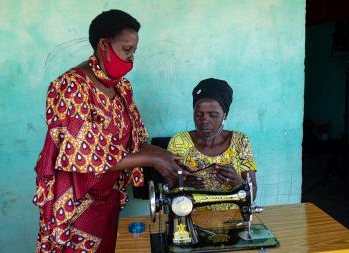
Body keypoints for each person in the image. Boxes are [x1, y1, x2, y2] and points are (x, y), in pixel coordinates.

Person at [33, 10, 181, 253]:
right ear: (104, 44)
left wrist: (165, 156)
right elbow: (85, 155)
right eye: (127, 49)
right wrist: (154, 158)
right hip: (77, 205)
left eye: (134, 51)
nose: (132, 59)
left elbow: (133, 142)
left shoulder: (120, 87)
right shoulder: (72, 87)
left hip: (108, 199)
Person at [167, 78, 257, 210]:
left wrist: (238, 182)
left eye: (213, 115)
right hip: (191, 217)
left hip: (232, 218)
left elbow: (253, 193)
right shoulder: (179, 142)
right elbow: (167, 191)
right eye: (198, 115)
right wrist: (184, 185)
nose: (205, 121)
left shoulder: (240, 141)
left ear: (225, 115)